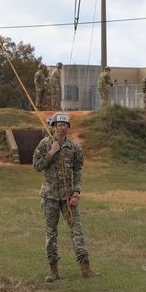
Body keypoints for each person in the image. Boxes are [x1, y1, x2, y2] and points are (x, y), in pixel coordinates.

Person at [32, 112, 99, 282]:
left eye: (65, 125)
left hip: (69, 197)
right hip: (50, 197)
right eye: (59, 125)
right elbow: (36, 166)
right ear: (53, 127)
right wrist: (51, 153)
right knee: (51, 233)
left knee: (77, 231)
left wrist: (76, 193)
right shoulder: (45, 144)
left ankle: (85, 268)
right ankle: (53, 270)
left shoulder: (74, 148)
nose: (62, 127)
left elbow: (77, 172)